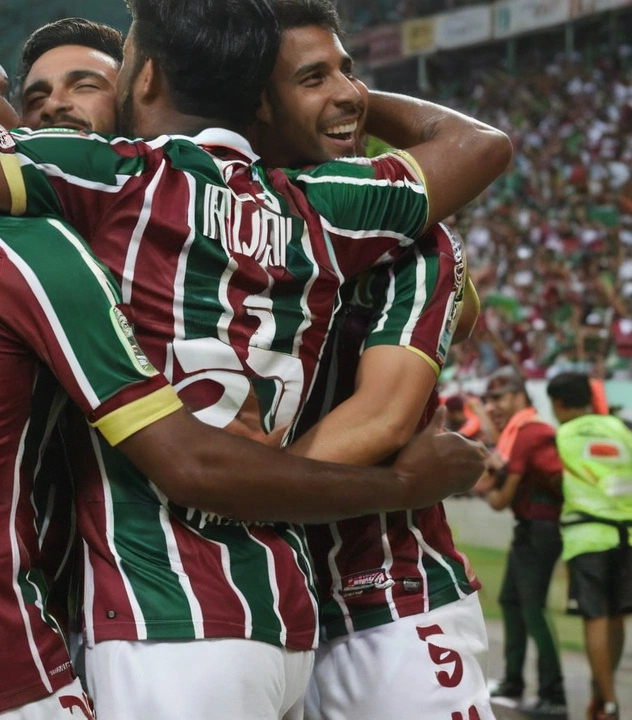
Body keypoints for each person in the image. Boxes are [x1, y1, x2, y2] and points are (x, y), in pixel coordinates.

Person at [0, 1, 512, 716]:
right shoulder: (327, 208)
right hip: (222, 610)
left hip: (181, 616)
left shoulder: (99, 186)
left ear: (144, 85)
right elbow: (479, 146)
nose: (51, 109)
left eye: (90, 82)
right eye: (28, 95)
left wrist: (305, 86)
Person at [241, 2, 491, 718]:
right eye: (313, 77)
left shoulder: (412, 236)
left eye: (348, 70)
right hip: (241, 614)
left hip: (384, 605)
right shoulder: (186, 220)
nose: (349, 92)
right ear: (254, 102)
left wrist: (231, 504)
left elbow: (381, 420)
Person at [477, 366, 568, 715]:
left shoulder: (530, 433)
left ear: (519, 396)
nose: (494, 405)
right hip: (529, 529)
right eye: (490, 399)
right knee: (512, 603)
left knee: (533, 610)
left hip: (540, 530)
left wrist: (481, 479)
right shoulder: (518, 433)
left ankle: (554, 695)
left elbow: (499, 500)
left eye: (499, 397)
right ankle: (513, 683)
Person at [549, 373, 632, 720]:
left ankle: (609, 704)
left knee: (594, 616)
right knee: (616, 617)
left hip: (587, 536)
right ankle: (603, 693)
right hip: (627, 535)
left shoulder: (563, 434)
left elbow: (553, 478)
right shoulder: (620, 429)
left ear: (558, 404)